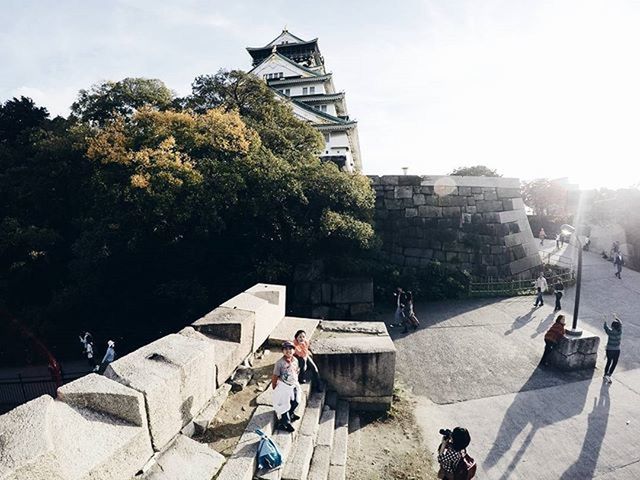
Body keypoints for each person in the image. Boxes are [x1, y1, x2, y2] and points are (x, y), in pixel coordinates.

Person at [272, 341, 301, 432]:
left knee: (296, 401)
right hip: (283, 385)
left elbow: (296, 371)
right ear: (283, 351)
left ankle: (291, 414)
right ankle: (285, 423)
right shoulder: (279, 363)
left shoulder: (295, 360)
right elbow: (275, 375)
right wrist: (274, 385)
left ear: (294, 350)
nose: (288, 351)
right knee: (284, 404)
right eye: (286, 349)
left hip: (293, 384)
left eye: (290, 349)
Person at [603, 316, 622, 383]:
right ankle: (609, 374)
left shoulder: (610, 332)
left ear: (612, 327)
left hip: (609, 350)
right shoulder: (620, 332)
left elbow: (605, 327)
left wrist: (605, 321)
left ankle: (605, 374)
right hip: (617, 350)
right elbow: (621, 324)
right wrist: (617, 318)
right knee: (615, 362)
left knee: (609, 361)